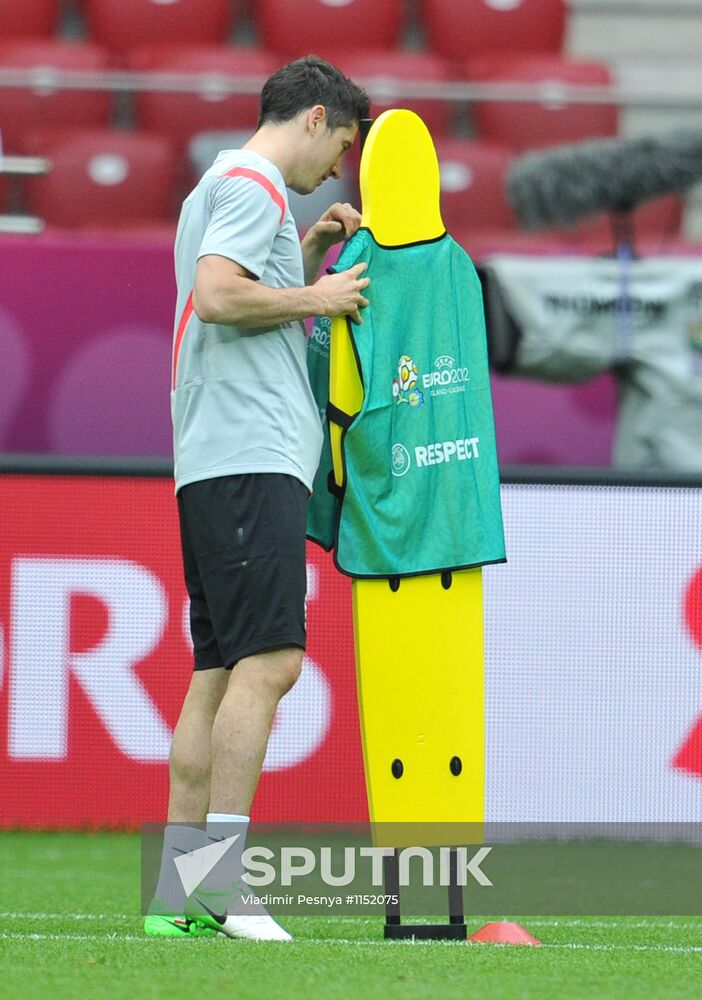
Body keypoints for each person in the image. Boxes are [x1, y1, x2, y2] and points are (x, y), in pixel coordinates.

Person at [145, 56, 371, 941]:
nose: (338, 172)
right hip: (250, 452)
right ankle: (228, 888)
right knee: (271, 664)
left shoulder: (223, 188)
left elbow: (234, 287)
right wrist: (318, 292)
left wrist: (301, 255)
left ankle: (176, 898)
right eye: (342, 146)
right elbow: (217, 296)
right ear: (315, 119)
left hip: (213, 454)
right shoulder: (253, 183)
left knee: (218, 671)